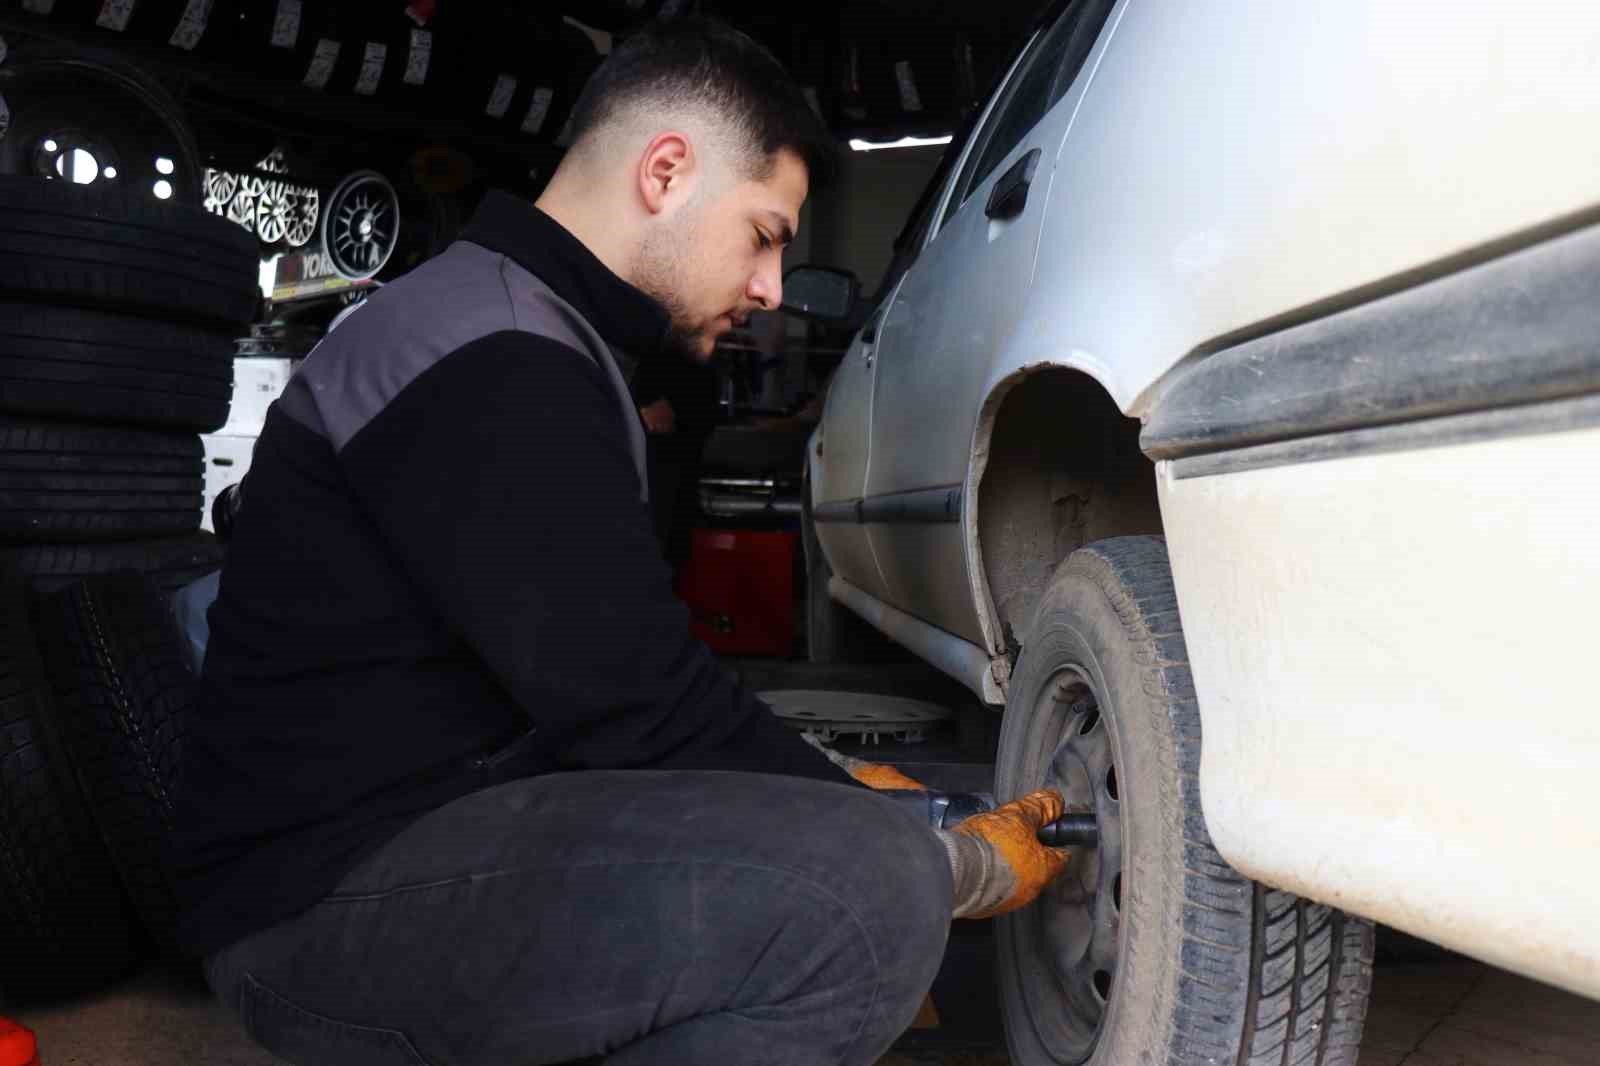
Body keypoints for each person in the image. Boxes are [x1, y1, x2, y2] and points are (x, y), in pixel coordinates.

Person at [172, 18, 1068, 1066]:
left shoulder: (518, 324)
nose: (773, 286)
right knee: (866, 899)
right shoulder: (494, 352)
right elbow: (634, 701)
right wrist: (945, 857)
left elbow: (611, 683)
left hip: (425, 831)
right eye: (765, 234)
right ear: (666, 171)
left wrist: (830, 783)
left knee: (834, 849)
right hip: (319, 906)